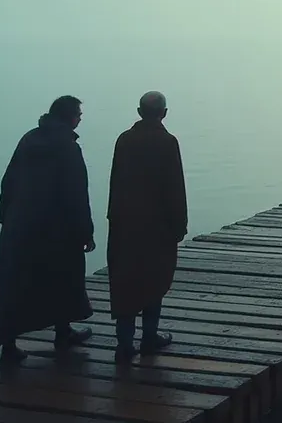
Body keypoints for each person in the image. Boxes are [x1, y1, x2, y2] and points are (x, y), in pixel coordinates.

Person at [0, 95, 94, 365]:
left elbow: (9, 179)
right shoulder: (68, 147)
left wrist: (5, 214)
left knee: (15, 285)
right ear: (69, 117)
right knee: (63, 278)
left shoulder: (29, 139)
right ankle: (62, 332)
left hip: (20, 226)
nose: (80, 119)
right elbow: (76, 194)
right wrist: (85, 232)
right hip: (57, 229)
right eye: (78, 114)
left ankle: (9, 346)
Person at [107, 91, 187, 362]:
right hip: (158, 226)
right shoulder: (167, 142)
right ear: (164, 113)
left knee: (126, 282)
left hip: (124, 223)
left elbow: (115, 182)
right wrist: (180, 224)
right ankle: (149, 336)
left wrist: (112, 218)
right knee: (155, 280)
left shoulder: (124, 140)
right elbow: (175, 187)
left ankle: (124, 343)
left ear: (139, 112)